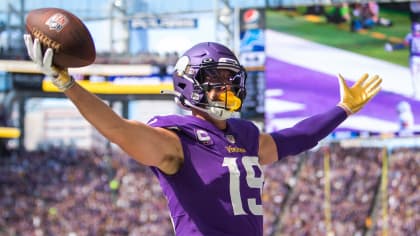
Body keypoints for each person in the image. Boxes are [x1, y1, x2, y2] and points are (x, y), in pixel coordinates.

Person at [23, 35, 382, 235]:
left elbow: (291, 140)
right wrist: (67, 83)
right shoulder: (175, 138)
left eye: (231, 80)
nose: (226, 89)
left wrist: (342, 110)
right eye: (216, 82)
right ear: (188, 84)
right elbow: (118, 129)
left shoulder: (245, 134)